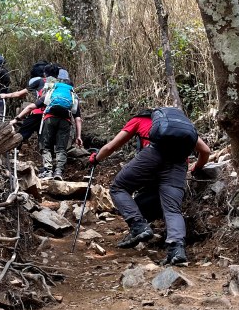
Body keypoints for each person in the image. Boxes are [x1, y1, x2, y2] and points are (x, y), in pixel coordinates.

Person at [89, 107, 210, 266]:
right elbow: (205, 150)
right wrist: (196, 168)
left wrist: (96, 159)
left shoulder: (140, 120)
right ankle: (177, 249)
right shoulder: (181, 129)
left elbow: (111, 147)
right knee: (172, 209)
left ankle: (139, 226)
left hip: (153, 156)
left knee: (118, 188)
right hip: (178, 164)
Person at [38, 69, 82, 179]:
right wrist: (78, 136)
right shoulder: (72, 94)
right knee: (61, 148)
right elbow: (78, 119)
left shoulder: (53, 89)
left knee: (46, 146)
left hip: (50, 118)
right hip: (65, 121)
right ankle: (58, 172)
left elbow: (42, 102)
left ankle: (48, 171)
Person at [1, 76, 46, 146]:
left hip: (39, 112)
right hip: (53, 114)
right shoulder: (59, 84)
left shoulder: (40, 81)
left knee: (24, 131)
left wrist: (5, 95)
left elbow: (19, 94)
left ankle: (15, 147)